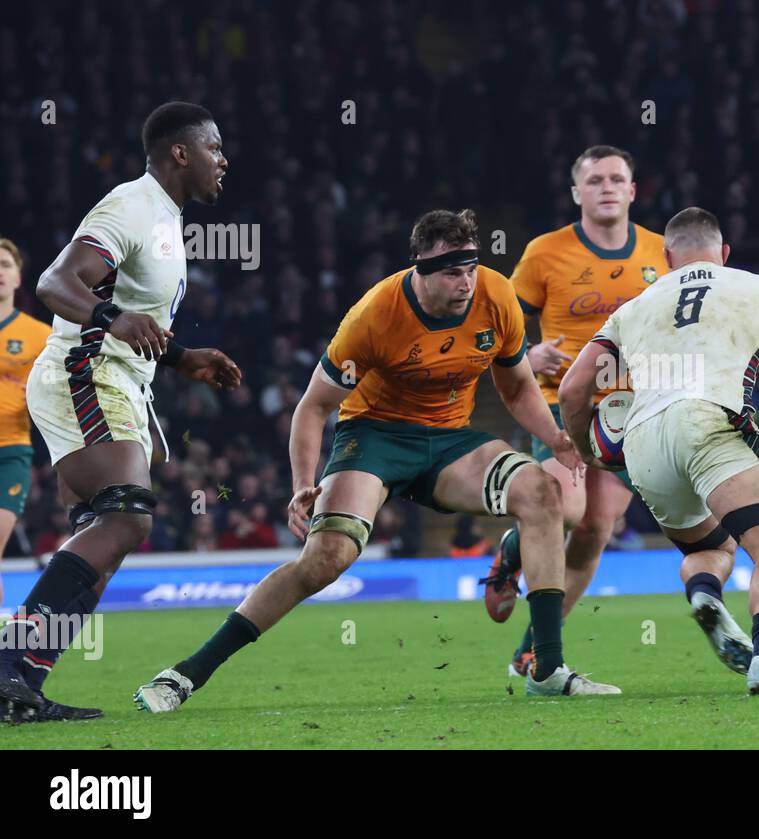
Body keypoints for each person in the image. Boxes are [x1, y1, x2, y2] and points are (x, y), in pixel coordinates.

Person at [134, 208, 619, 712]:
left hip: (449, 439)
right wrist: (303, 483)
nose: (465, 283)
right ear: (420, 269)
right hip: (374, 438)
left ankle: (546, 669)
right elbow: (313, 406)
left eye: (470, 269)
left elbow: (517, 387)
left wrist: (557, 437)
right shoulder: (374, 316)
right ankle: (187, 673)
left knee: (543, 493)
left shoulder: (496, 295)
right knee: (325, 562)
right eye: (452, 272)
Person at [0, 102, 241, 724]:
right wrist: (111, 319)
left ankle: (19, 682)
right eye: (214, 148)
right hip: (85, 372)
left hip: (115, 379)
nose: (224, 160)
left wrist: (182, 356)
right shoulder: (131, 204)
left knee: (105, 539)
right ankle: (5, 667)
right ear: (179, 152)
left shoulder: (164, 219)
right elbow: (55, 283)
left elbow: (130, 308)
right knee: (128, 519)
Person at [560, 207, 759, 694]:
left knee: (710, 546)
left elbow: (572, 391)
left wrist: (589, 451)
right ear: (724, 254)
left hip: (643, 442)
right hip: (711, 421)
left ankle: (705, 593)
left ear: (666, 258)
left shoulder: (635, 305)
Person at [481, 145, 669, 678]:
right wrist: (527, 354)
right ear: (576, 193)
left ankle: (532, 648)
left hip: (630, 412)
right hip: (562, 404)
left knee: (596, 528)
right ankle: (512, 552)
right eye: (594, 181)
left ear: (633, 190)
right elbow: (503, 324)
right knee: (565, 510)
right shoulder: (546, 253)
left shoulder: (661, 253)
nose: (606, 187)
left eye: (616, 179)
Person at [0, 239, 53, 606]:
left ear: (18, 277)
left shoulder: (40, 336)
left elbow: (56, 395)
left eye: (4, 265)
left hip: (11, 454)